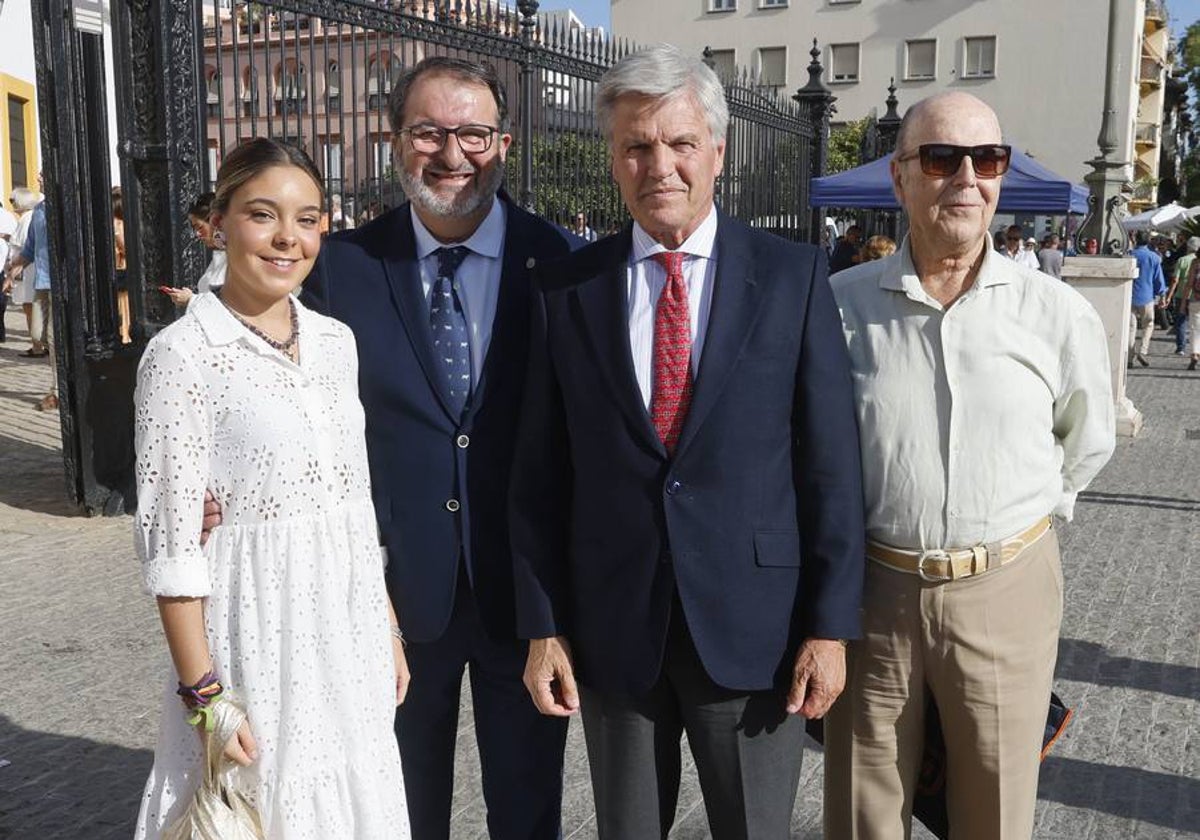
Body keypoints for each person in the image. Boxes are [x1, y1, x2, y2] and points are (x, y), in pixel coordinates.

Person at [511, 45, 865, 839]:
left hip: (757, 633)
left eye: (678, 144)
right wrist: (543, 624)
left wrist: (831, 626)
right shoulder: (566, 290)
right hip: (614, 635)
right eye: (637, 146)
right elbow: (539, 474)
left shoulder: (791, 276)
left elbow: (831, 466)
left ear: (718, 151)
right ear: (613, 159)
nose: (658, 165)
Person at [297, 57, 578, 839]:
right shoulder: (343, 269)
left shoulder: (558, 263)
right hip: (385, 606)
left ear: (505, 142)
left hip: (524, 604)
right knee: (395, 813)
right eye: (428, 132)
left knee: (527, 815)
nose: (452, 154)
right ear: (395, 142)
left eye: (474, 133)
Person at [824, 91, 1115, 840]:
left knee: (994, 809)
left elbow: (1086, 438)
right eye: (941, 158)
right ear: (900, 179)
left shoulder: (1054, 312)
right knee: (865, 811)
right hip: (874, 598)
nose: (966, 178)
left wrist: (1021, 520)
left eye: (986, 160)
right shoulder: (840, 307)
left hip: (1005, 588)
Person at [132, 138, 410, 839]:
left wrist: (388, 628)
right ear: (217, 224)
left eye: (309, 217)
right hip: (253, 637)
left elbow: (354, 503)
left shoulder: (336, 342)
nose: (289, 237)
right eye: (264, 214)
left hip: (347, 635)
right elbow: (170, 548)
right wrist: (206, 698)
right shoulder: (182, 357)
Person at [9, 173, 59, 410]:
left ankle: (57, 391)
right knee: (38, 334)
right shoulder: (39, 210)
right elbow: (30, 247)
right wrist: (14, 268)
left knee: (52, 337)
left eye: (43, 174)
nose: (40, 178)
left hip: (61, 284)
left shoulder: (69, 204)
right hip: (42, 281)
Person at [6, 188, 42, 352]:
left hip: (26, 268)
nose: (12, 204)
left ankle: (37, 344)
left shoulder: (28, 219)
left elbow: (23, 247)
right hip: (26, 267)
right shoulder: (27, 218)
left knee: (30, 306)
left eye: (13, 200)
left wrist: (13, 267)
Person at [1129, 230, 1167, 367]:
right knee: (1148, 324)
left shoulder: (1129, 255)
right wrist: (1162, 296)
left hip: (1129, 296)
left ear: (1136, 240)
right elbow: (1159, 280)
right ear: (1149, 241)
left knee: (1130, 327)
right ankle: (1142, 350)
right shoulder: (1154, 257)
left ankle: (1129, 357)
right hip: (1147, 296)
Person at [1165, 236, 1198, 356]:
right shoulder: (1197, 261)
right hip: (1196, 295)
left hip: (1181, 294)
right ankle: (1196, 348)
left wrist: (1169, 295)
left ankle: (1181, 347)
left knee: (1181, 321)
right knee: (1196, 322)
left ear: (1188, 246)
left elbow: (1175, 280)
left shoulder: (1182, 260)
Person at [112, 186, 132, 344]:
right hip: (120, 265)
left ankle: (124, 334)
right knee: (123, 304)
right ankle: (124, 334)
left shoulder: (117, 224)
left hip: (121, 266)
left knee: (123, 304)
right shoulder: (119, 223)